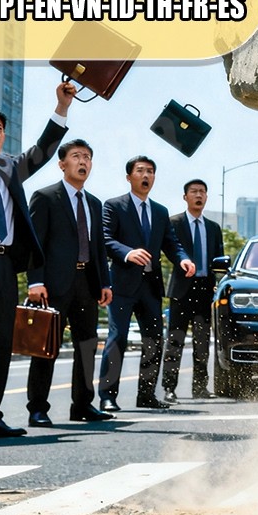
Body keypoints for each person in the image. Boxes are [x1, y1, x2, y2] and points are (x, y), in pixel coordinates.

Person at [0, 82, 75, 439]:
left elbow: (42, 151)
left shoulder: (7, 167)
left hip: (4, 267)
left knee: (0, 345)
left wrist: (61, 107)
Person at [25, 139, 115, 428]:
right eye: (77, 156)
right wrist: (36, 280)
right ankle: (38, 408)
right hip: (53, 284)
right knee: (46, 348)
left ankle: (83, 405)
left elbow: (99, 247)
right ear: (62, 163)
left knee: (87, 345)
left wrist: (105, 282)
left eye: (88, 157)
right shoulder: (45, 196)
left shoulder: (94, 203)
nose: (83, 162)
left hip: (86, 283)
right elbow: (35, 244)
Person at [98, 156, 194, 411]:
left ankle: (147, 395)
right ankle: (108, 396)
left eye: (150, 171)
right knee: (117, 338)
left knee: (154, 340)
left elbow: (171, 244)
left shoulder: (160, 212)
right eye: (140, 171)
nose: (146, 175)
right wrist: (128, 253)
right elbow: (105, 239)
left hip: (150, 287)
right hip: (122, 283)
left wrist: (183, 260)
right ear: (129, 177)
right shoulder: (113, 206)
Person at [161, 179, 224, 403]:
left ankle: (200, 387)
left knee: (202, 341)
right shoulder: (173, 223)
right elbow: (170, 251)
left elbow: (218, 260)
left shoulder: (214, 228)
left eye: (202, 192)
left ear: (206, 197)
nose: (198, 195)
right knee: (175, 340)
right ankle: (169, 388)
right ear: (185, 197)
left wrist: (218, 279)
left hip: (205, 289)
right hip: (181, 289)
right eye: (194, 192)